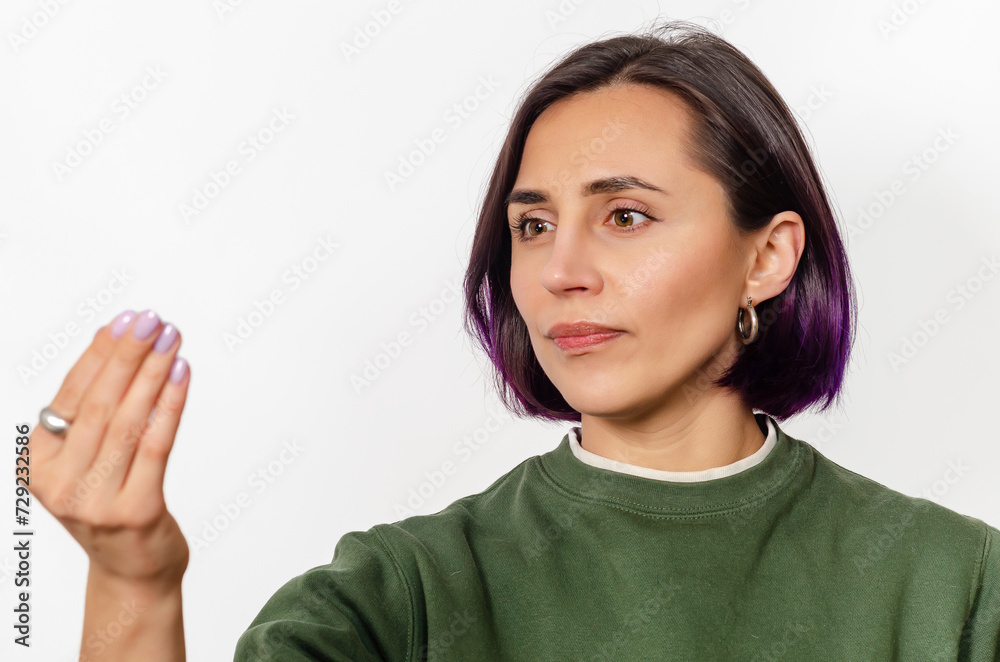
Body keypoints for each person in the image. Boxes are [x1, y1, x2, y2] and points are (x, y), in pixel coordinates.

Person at [28, 19, 999, 661]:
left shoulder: (957, 587)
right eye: (532, 225)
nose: (557, 270)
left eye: (624, 215)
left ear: (767, 257)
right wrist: (131, 576)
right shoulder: (401, 593)